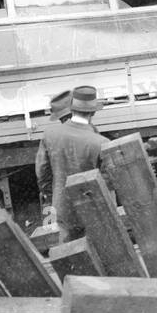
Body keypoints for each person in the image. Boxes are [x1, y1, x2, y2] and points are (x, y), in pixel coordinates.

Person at [34, 85, 105, 238]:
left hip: (61, 208)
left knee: (64, 251)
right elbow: (108, 181)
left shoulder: (49, 134)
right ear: (92, 112)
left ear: (71, 110)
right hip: (93, 210)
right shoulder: (100, 142)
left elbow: (42, 174)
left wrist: (53, 195)